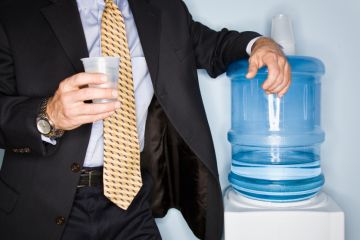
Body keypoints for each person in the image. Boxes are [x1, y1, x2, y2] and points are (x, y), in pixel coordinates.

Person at [0, 0, 290, 239]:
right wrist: (49, 115)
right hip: (42, 204)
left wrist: (261, 45)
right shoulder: (16, 13)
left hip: (129, 201)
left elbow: (217, 47)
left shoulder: (164, 10)